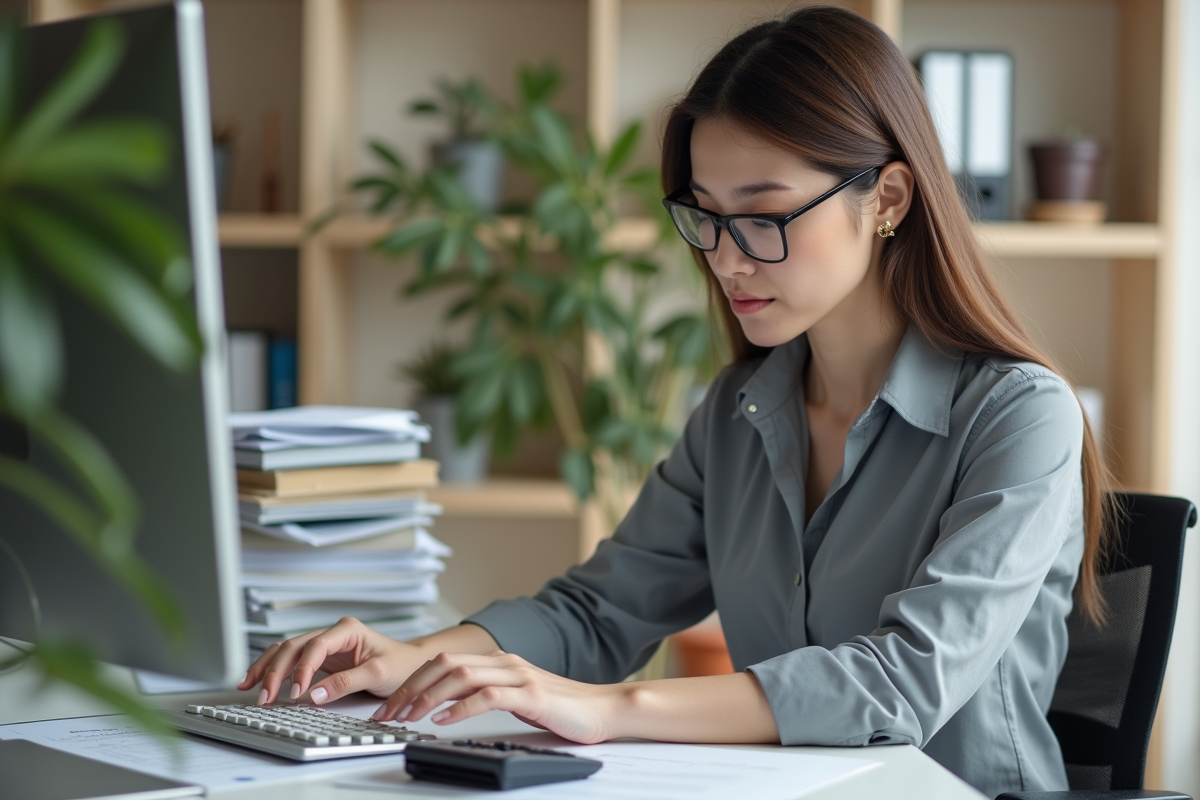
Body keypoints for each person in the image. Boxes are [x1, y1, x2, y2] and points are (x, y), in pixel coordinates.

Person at [240, 7, 1111, 796]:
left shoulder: (1020, 415)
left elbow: (902, 683)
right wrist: (420, 656)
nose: (727, 260)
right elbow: (599, 609)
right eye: (704, 217)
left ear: (885, 199)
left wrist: (609, 708)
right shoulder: (743, 409)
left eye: (763, 216)